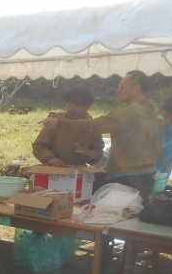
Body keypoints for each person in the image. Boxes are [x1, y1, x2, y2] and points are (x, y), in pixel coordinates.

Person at [41, 70, 163, 202]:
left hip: (125, 178)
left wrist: (58, 123)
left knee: (116, 213)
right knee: (135, 212)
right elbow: (161, 145)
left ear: (137, 88)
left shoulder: (126, 114)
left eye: (122, 86)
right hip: (148, 175)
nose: (118, 90)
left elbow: (96, 126)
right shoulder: (157, 114)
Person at [32, 86, 104, 167]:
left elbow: (98, 150)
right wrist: (51, 159)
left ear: (86, 107)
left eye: (77, 105)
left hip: (79, 170)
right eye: (69, 104)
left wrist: (88, 154)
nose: (72, 109)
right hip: (55, 169)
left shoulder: (92, 126)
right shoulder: (55, 123)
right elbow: (38, 146)